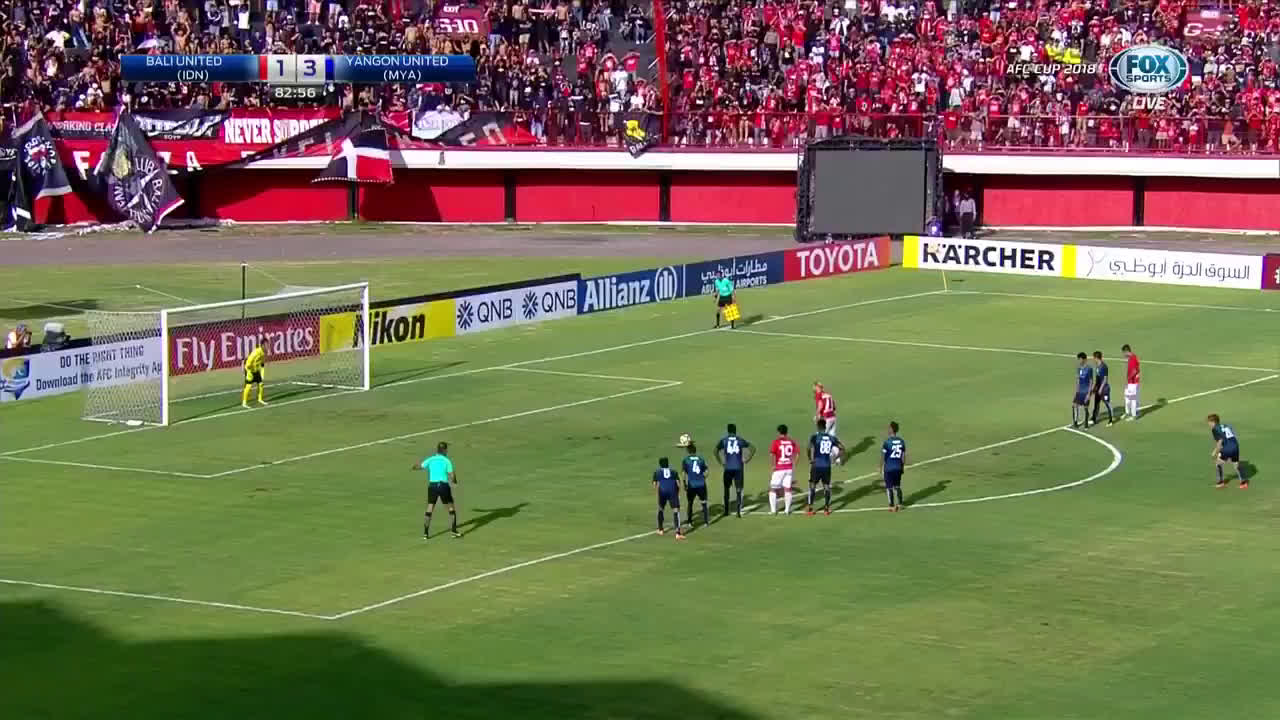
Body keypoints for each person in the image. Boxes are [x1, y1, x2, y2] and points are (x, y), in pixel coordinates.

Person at [412, 441, 461, 538]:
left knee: (430, 508)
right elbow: (452, 474)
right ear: (444, 450)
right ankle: (454, 531)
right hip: (443, 486)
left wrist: (413, 467)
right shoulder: (446, 460)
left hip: (432, 486)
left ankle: (425, 533)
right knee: (451, 507)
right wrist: (454, 481)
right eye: (446, 449)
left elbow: (420, 466)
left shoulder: (431, 459)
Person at [714, 423, 755, 518]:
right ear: (735, 431)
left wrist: (721, 462)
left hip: (728, 468)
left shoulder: (724, 440)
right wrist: (747, 459)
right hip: (738, 468)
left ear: (728, 431)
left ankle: (726, 511)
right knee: (739, 489)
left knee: (726, 489)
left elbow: (715, 451)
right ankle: (738, 512)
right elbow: (753, 448)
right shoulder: (740, 440)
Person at [806, 418, 845, 516]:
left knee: (812, 485)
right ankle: (826, 509)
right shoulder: (831, 438)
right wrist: (835, 458)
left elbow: (808, 448)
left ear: (818, 427)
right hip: (827, 465)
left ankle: (810, 508)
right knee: (826, 486)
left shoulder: (815, 437)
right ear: (825, 426)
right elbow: (842, 448)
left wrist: (810, 459)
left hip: (816, 465)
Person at [1207, 414, 1246, 489]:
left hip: (1227, 448)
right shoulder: (1225, 425)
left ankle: (1220, 483)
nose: (1208, 424)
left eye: (1209, 422)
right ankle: (1243, 483)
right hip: (1235, 446)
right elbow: (1232, 435)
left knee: (1218, 463)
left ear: (1213, 422)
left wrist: (1215, 452)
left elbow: (1220, 441)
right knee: (1236, 465)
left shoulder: (1214, 429)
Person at [652, 457, 686, 539]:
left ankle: (660, 530)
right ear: (668, 464)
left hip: (662, 491)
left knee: (660, 509)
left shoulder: (657, 472)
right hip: (672, 491)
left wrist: (658, 493)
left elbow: (654, 484)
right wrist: (677, 493)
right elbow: (678, 483)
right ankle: (678, 533)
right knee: (676, 510)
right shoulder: (674, 472)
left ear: (660, 464)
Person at [768, 424, 797, 515]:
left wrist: (773, 466)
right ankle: (787, 510)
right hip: (789, 468)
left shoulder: (776, 442)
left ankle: (773, 510)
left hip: (779, 468)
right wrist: (794, 464)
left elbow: (772, 454)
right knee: (787, 489)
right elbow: (797, 453)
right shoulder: (791, 441)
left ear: (779, 432)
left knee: (772, 489)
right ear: (786, 432)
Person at [682, 443, 712, 528]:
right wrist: (702, 478)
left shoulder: (686, 460)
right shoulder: (701, 459)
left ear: (688, 451)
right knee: (704, 503)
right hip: (701, 484)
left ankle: (690, 522)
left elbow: (684, 473)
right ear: (695, 451)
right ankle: (706, 522)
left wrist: (684, 483)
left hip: (691, 485)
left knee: (690, 503)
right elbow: (707, 472)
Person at [880, 421, 907, 512]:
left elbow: (883, 456)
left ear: (891, 429)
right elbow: (903, 456)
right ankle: (900, 504)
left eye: (889, 428)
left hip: (889, 468)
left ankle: (891, 506)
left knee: (889, 487)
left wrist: (880, 467)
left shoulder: (887, 442)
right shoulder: (901, 441)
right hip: (898, 467)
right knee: (897, 486)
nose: (888, 429)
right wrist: (902, 466)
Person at [1090, 351, 1114, 426]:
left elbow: (1105, 379)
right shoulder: (1097, 366)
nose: (1093, 359)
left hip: (1104, 389)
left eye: (1094, 358)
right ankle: (1093, 418)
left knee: (1107, 403)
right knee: (1096, 404)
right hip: (1098, 388)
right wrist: (1094, 388)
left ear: (1096, 358)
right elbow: (1097, 379)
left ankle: (1110, 420)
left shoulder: (1104, 366)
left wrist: (1100, 389)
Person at [241, 343, 268, 409]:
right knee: (249, 386)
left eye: (268, 345)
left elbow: (262, 364)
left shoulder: (264, 353)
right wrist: (248, 372)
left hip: (256, 369)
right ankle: (244, 403)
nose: (267, 347)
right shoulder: (255, 353)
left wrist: (262, 374)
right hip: (249, 370)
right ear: (262, 345)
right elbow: (248, 364)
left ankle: (260, 399)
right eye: (266, 345)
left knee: (261, 384)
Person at [1072, 352, 1093, 428]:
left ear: (1084, 359)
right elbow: (1078, 380)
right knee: (1074, 405)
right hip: (1079, 391)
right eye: (1078, 359)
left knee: (1085, 407)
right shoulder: (1079, 368)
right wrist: (1077, 390)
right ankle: (1075, 422)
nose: (1079, 361)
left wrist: (1089, 394)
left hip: (1086, 391)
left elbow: (1091, 381)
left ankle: (1086, 424)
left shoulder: (1089, 369)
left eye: (1080, 359)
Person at [1122, 344, 1141, 420]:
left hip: (1133, 383)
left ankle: (1133, 415)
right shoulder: (1132, 357)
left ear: (1126, 351)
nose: (1123, 355)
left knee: (1133, 399)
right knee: (1127, 398)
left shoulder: (1133, 358)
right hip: (1131, 382)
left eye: (1124, 353)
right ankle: (1128, 413)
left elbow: (1135, 370)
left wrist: (1129, 378)